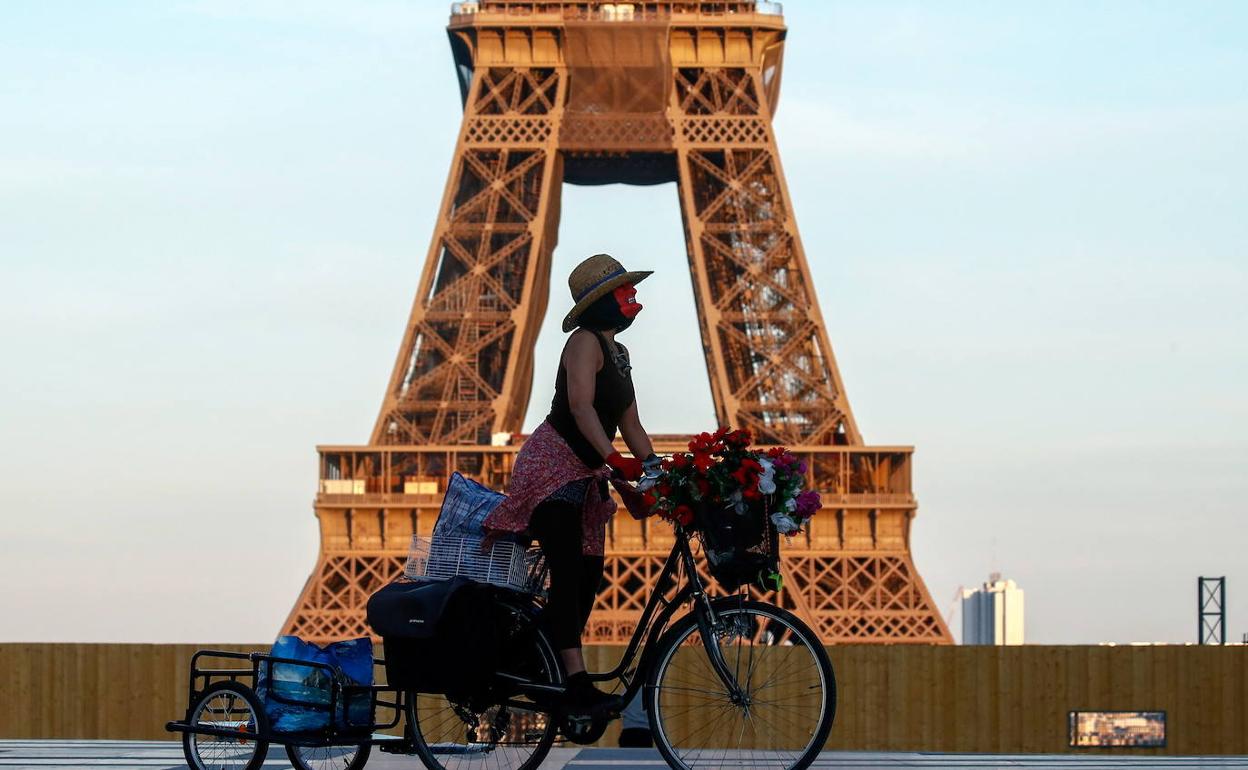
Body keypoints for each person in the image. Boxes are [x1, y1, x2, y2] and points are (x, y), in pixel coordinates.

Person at [482, 253, 657, 714]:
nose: (633, 298)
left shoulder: (619, 354)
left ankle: (544, 661)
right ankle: (575, 681)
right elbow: (580, 408)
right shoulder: (583, 342)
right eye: (625, 292)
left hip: (586, 475)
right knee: (569, 570)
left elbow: (632, 423)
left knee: (588, 580)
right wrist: (614, 458)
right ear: (601, 302)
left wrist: (656, 467)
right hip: (552, 467)